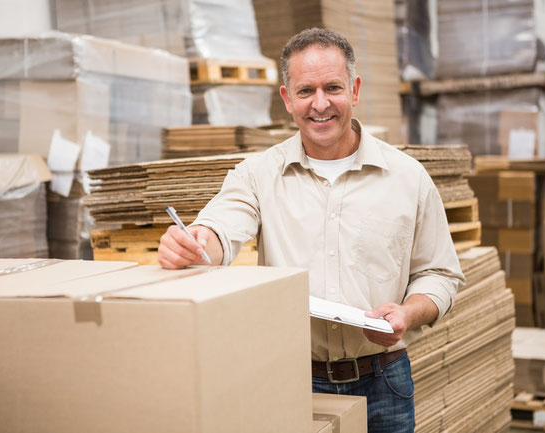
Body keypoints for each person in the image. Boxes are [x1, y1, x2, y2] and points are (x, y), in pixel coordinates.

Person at [158, 27, 464, 432]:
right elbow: (221, 227)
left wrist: (409, 311)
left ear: (354, 90)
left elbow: (440, 273)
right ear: (287, 99)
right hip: (292, 378)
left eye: (333, 87)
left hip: (384, 383)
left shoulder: (408, 178)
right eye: (305, 91)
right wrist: (195, 244)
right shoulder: (257, 175)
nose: (320, 104)